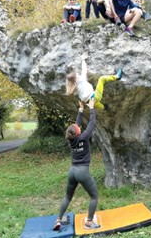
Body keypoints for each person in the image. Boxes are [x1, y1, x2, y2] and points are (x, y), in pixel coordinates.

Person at [53, 99, 101, 231]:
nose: (78, 127)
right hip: (82, 172)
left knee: (68, 196)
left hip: (72, 171)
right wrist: (91, 108)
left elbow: (75, 126)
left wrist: (80, 109)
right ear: (78, 132)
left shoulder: (71, 139)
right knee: (94, 196)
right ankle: (89, 223)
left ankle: (58, 220)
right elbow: (92, 123)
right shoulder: (84, 137)